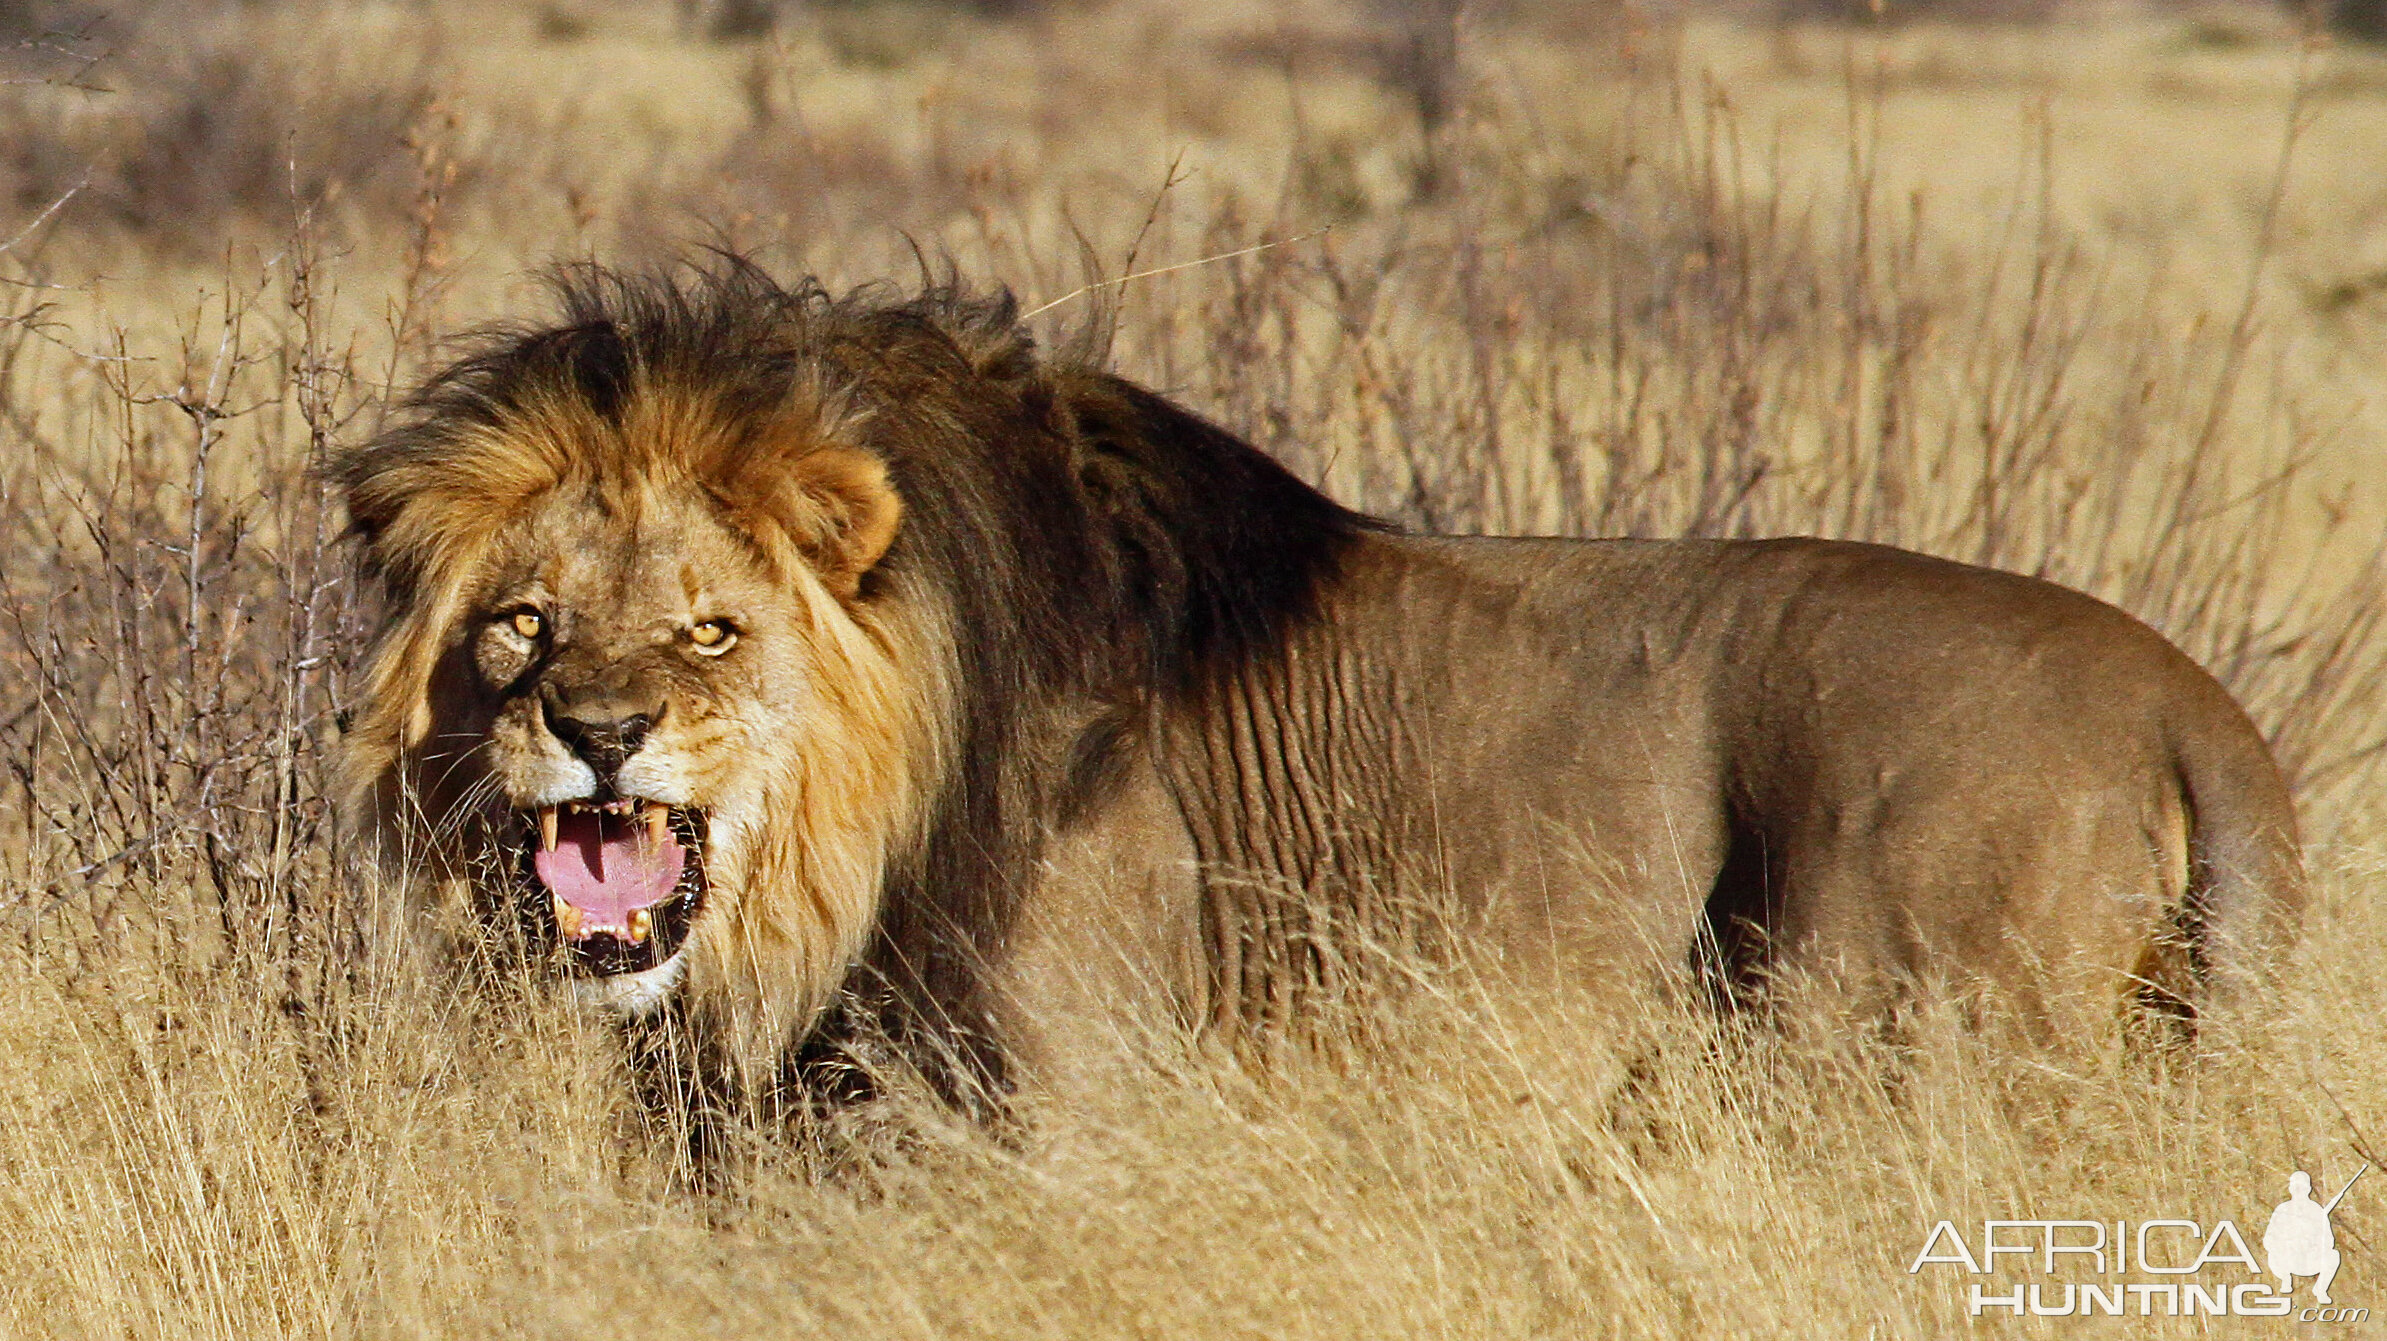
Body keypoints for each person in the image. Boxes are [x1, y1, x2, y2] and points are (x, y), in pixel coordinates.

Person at [2265, 1170, 2343, 1304]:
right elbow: (2269, 1240)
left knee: (2333, 1256)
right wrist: (2287, 1244)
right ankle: (2285, 1279)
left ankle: (2320, 1289)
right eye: (2296, 1187)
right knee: (2272, 1256)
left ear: (2308, 1189)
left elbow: (2328, 1240)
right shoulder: (2282, 1210)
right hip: (2288, 1260)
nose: (2298, 1190)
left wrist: (2314, 1246)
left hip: (2309, 1261)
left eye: (2302, 1187)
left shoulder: (2316, 1211)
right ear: (2290, 1189)